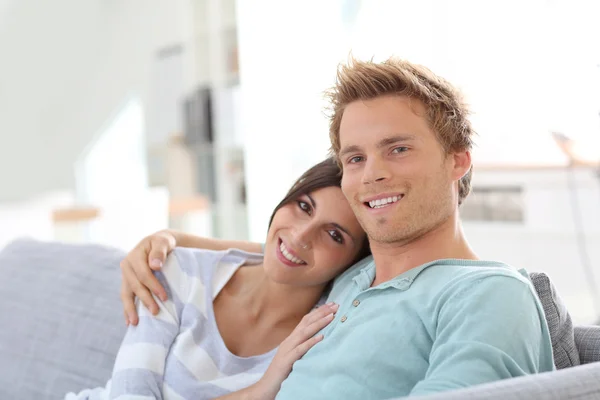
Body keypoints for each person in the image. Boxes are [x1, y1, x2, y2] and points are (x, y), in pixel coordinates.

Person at [122, 57, 555, 399]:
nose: (372, 174)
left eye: (398, 149)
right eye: (355, 158)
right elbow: (290, 249)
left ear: (457, 160)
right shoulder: (350, 279)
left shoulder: (489, 295)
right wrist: (170, 241)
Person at [65, 158, 369, 400]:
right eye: (304, 206)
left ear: (353, 262)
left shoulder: (319, 337)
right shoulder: (180, 271)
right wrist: (258, 392)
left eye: (333, 235)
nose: (301, 236)